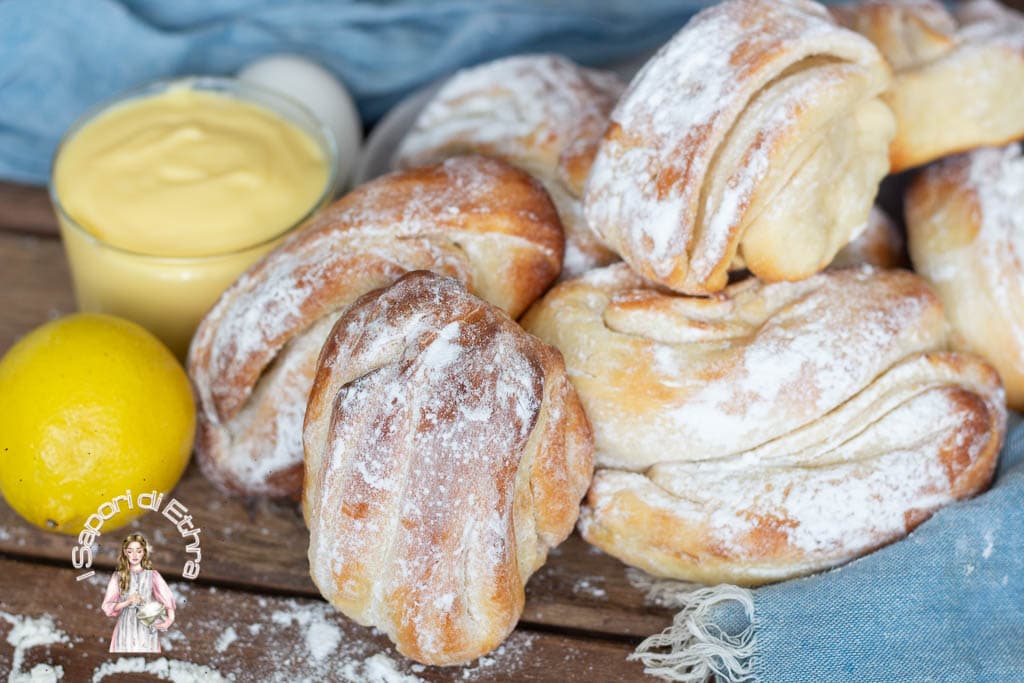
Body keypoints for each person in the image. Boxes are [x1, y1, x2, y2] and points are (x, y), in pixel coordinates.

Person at [101, 532, 176, 653]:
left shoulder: (152, 575)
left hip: (147, 621)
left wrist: (169, 619)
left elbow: (166, 597)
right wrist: (127, 602)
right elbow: (108, 606)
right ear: (125, 552)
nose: (134, 555)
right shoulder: (118, 576)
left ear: (144, 552)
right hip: (126, 625)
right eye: (130, 551)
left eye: (139, 551)